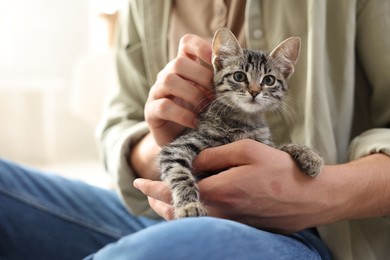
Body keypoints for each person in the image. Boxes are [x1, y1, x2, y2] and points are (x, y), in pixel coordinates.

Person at [1, 0, 389, 259]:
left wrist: (316, 193)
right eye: (242, 79)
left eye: (267, 82)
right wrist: (161, 142)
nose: (254, 89)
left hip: (296, 233)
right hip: (165, 209)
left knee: (175, 245)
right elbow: (118, 125)